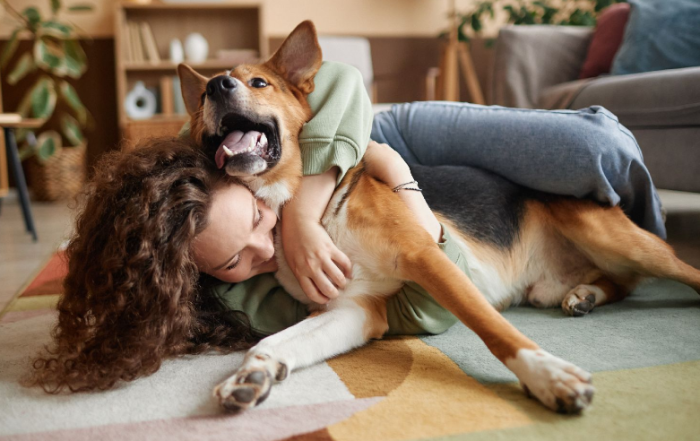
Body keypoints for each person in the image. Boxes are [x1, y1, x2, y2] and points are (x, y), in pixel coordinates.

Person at [29, 62, 665, 393]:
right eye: (232, 261)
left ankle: (643, 248)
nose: (263, 242)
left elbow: (337, 83)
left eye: (256, 220)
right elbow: (371, 312)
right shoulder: (195, 233)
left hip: (372, 127)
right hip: (474, 239)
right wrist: (271, 353)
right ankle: (610, 281)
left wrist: (304, 211)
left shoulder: (193, 147)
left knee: (600, 153)